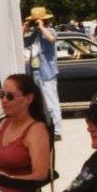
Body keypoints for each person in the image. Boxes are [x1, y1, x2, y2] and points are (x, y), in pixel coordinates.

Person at [23, 7, 61, 140]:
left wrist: (42, 27)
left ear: (44, 20)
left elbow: (52, 39)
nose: (35, 24)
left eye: (37, 21)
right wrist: (25, 28)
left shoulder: (50, 30)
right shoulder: (35, 34)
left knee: (51, 102)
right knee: (40, 103)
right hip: (36, 71)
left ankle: (57, 130)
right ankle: (45, 127)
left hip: (47, 72)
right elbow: (22, 42)